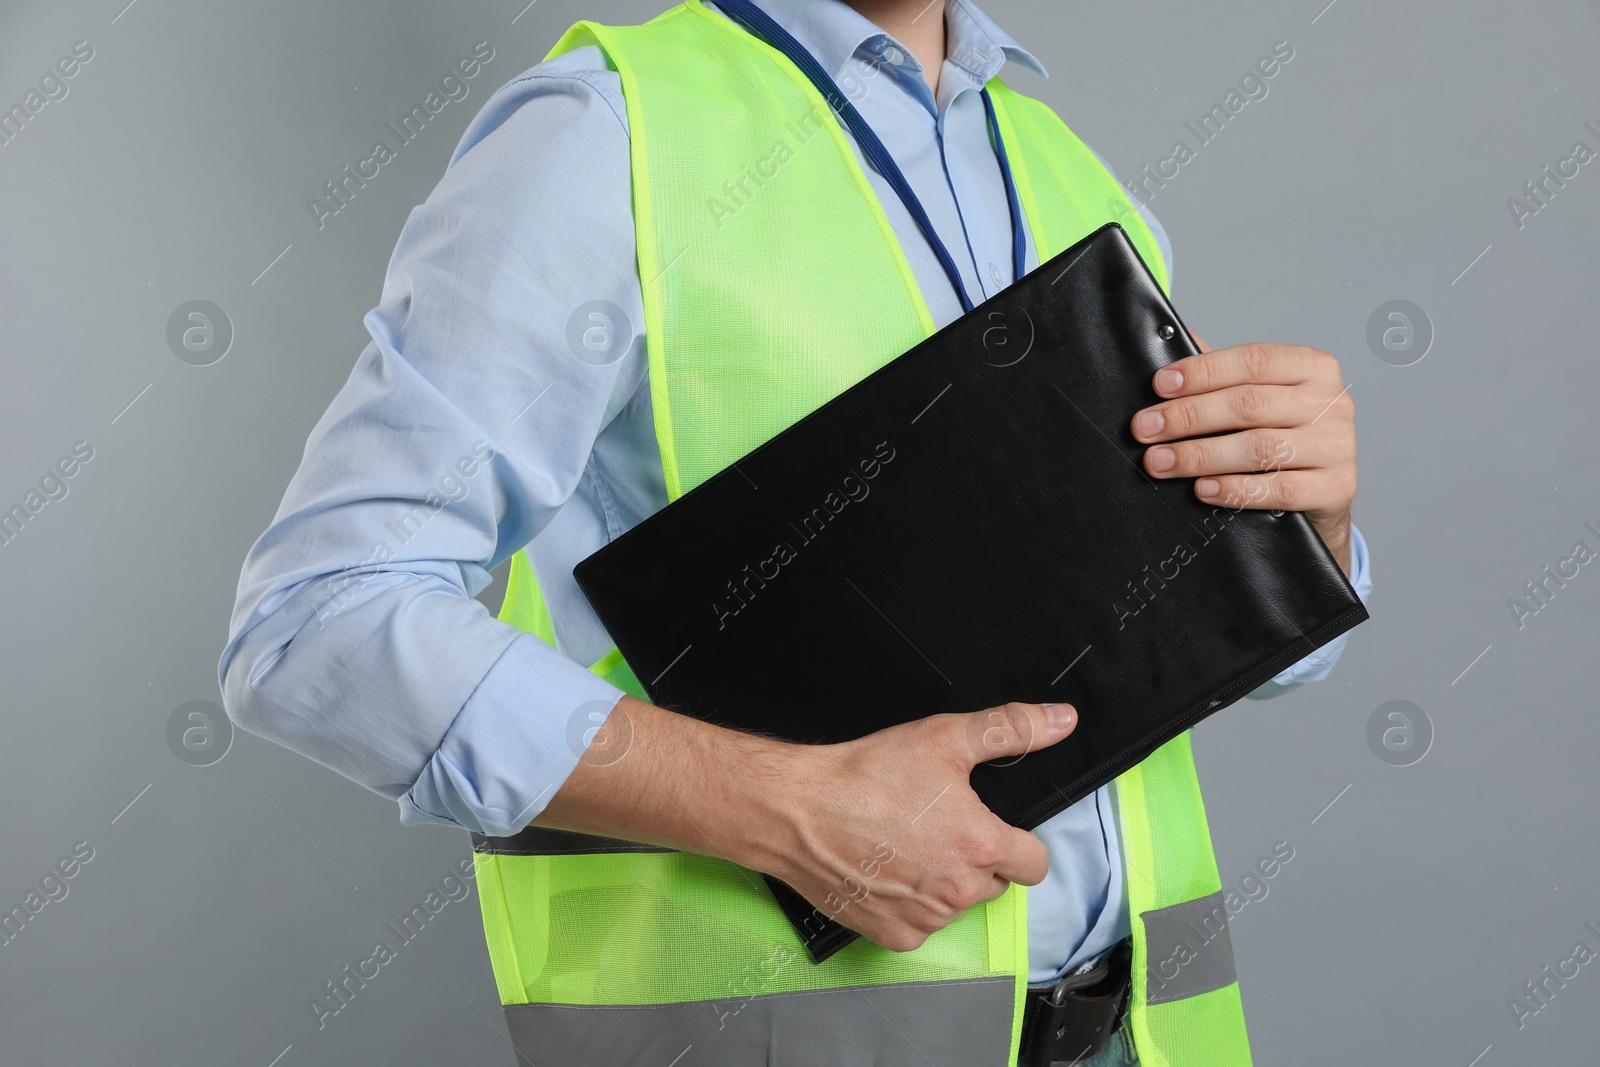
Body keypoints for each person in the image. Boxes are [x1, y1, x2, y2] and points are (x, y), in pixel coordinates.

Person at [220, 0, 1371, 1063]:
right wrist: (792, 809)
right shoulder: (604, 135)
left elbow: (1217, 640)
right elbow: (317, 620)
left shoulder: (1070, 171)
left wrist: (1299, 528)